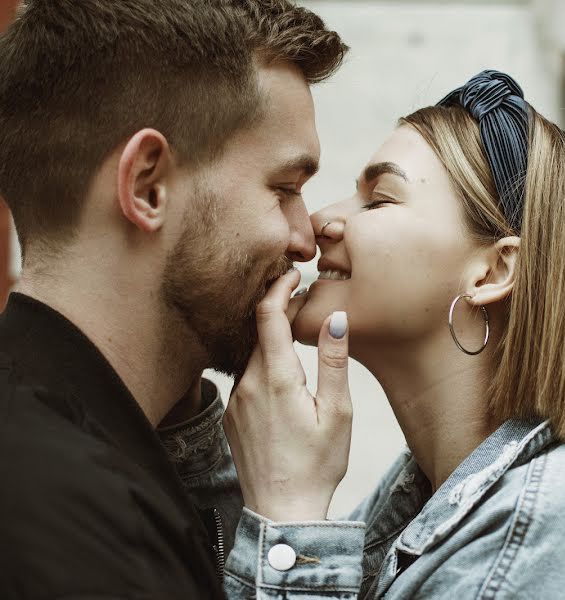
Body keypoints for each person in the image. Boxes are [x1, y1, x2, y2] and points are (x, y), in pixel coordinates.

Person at [172, 71, 565, 598]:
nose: (319, 222)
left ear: (492, 273)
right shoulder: (426, 497)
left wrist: (290, 516)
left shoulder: (557, 511)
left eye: (378, 199)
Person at [0, 1, 354, 597]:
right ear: (147, 187)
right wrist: (297, 527)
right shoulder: (69, 514)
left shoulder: (96, 459)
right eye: (284, 189)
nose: (305, 240)